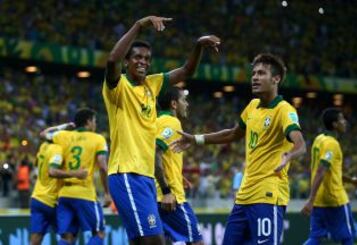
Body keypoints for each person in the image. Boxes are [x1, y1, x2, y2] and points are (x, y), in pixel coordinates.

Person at [102, 15, 220, 245]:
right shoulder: (118, 87)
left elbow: (187, 71)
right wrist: (138, 25)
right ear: (127, 62)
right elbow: (111, 60)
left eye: (147, 58)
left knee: (144, 241)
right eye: (137, 57)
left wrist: (198, 46)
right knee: (155, 241)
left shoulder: (152, 84)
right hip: (126, 173)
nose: (143, 62)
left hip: (146, 177)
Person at [171, 53, 307, 245]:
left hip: (268, 195)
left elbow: (300, 143)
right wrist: (196, 139)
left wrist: (290, 155)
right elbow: (232, 134)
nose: (255, 77)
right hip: (244, 197)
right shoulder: (252, 106)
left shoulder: (285, 110)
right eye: (254, 73)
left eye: (261, 73)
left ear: (276, 79)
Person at [40, 108, 111, 245]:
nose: (95, 125)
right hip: (85, 193)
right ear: (88, 122)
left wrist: (64, 126)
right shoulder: (98, 138)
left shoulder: (63, 135)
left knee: (67, 237)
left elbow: (43, 134)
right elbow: (102, 166)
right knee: (99, 232)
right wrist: (107, 193)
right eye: (94, 121)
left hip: (65, 194)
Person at [301, 108, 357, 245]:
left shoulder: (319, 139)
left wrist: (350, 180)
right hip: (335, 199)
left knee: (315, 237)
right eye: (341, 119)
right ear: (334, 124)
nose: (345, 122)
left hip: (319, 201)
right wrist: (310, 199)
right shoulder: (332, 144)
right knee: (348, 236)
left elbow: (328, 171)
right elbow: (321, 170)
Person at [154, 86, 203, 245]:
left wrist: (178, 175)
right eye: (184, 100)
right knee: (196, 242)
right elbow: (155, 153)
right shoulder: (171, 122)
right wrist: (167, 190)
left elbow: (156, 156)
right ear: (174, 104)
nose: (186, 104)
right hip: (171, 198)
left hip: (155, 196)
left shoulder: (155, 122)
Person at [30, 140, 87, 245]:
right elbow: (52, 171)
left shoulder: (44, 145)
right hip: (51, 200)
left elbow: (36, 163)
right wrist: (76, 173)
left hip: (37, 198)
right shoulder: (57, 149)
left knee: (36, 237)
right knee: (68, 235)